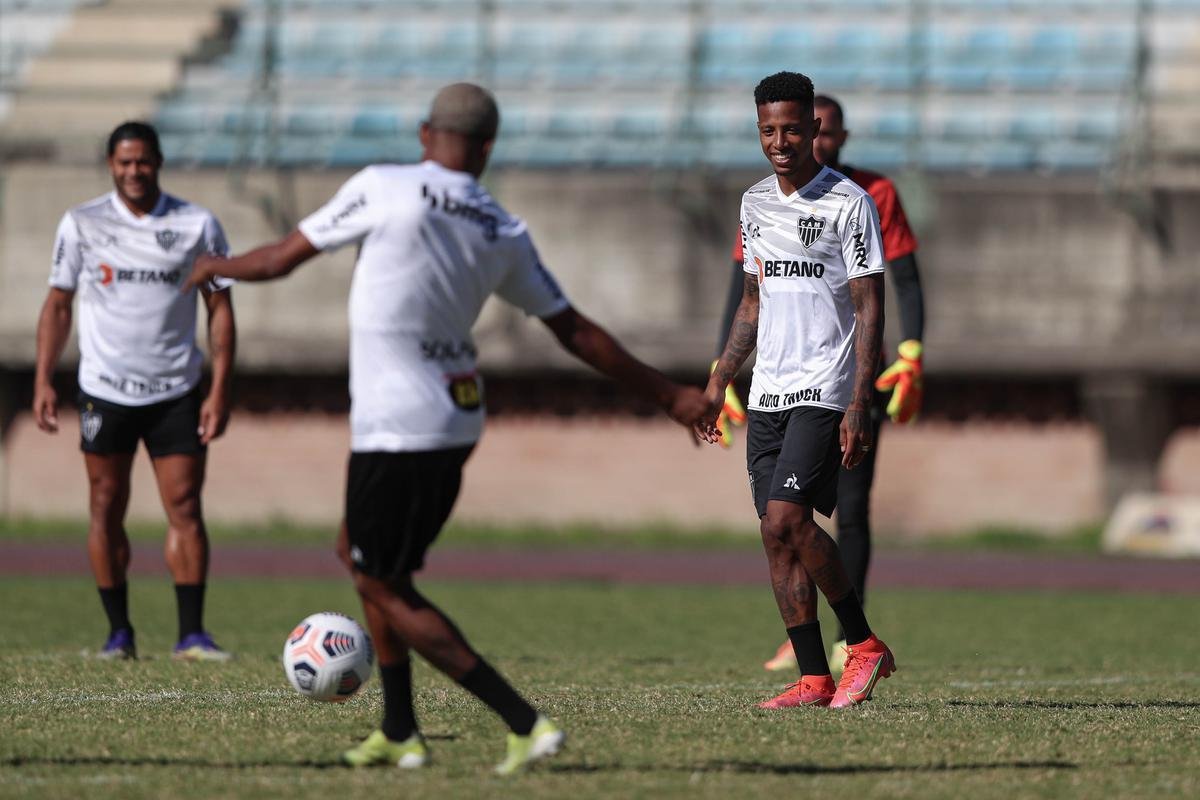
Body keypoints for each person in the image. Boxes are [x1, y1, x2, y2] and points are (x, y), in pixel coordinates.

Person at [185, 83, 710, 773]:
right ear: (488, 148)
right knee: (363, 556)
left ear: (425, 133)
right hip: (454, 413)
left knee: (382, 584)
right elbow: (575, 330)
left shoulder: (386, 185)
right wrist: (669, 393)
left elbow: (282, 258)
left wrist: (211, 267)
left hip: (398, 422)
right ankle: (400, 729)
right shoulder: (501, 226)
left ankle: (522, 721)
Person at [698, 72, 896, 709]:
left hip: (825, 386)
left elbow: (870, 307)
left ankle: (862, 645)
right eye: (767, 130)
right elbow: (752, 303)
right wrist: (718, 379)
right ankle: (813, 677)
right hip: (768, 391)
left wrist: (860, 401)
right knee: (773, 533)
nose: (779, 141)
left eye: (790, 128)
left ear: (814, 128)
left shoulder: (849, 202)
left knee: (789, 518)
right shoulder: (754, 203)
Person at [33, 121, 237, 662]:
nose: (133, 171)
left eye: (143, 161)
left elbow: (220, 311)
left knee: (185, 505)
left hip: (176, 390)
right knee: (105, 506)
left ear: (159, 162)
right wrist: (43, 379)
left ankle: (192, 634)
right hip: (105, 390)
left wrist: (219, 389)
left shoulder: (197, 225)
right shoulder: (82, 223)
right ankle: (118, 633)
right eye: (124, 163)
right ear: (110, 165)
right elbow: (58, 304)